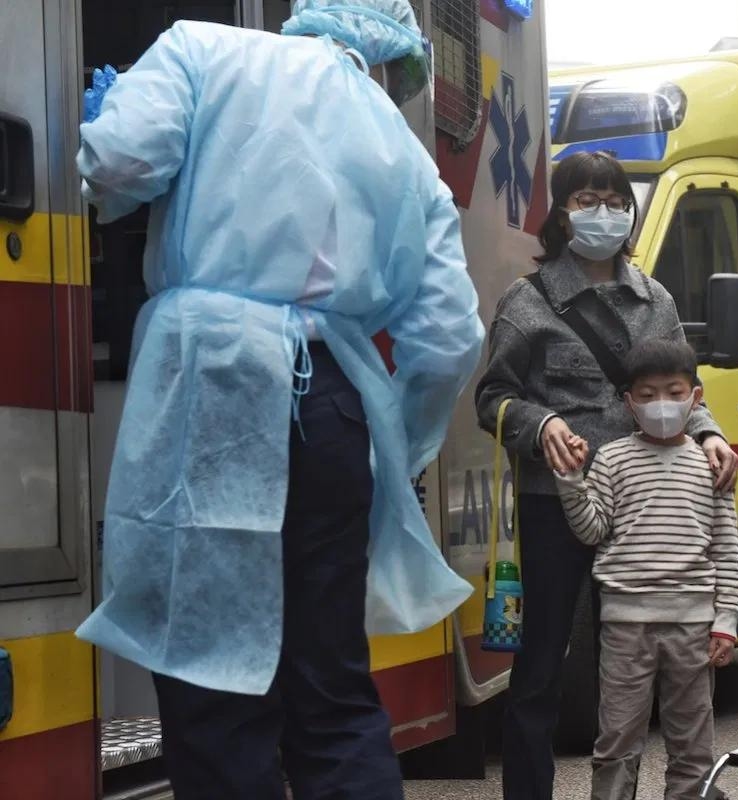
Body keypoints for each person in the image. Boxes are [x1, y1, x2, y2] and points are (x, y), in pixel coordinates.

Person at [73, 2, 483, 798]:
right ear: (389, 53)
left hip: (211, 388)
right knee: (331, 688)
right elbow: (448, 334)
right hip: (336, 402)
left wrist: (108, 118)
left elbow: (120, 165)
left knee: (213, 686)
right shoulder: (405, 151)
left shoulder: (200, 50)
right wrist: (398, 444)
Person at [475, 150, 738, 800]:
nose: (605, 213)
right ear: (562, 215)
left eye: (617, 202)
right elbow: (492, 398)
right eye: (588, 200)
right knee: (541, 668)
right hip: (554, 504)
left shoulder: (656, 301)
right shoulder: (527, 302)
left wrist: (710, 435)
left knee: (640, 672)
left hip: (643, 510)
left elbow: (682, 390)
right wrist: (540, 424)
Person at [553, 338, 738, 800]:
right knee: (616, 738)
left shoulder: (711, 463)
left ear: (695, 397)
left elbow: (726, 548)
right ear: (629, 402)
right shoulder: (611, 459)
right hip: (625, 628)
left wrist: (726, 620)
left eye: (674, 392)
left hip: (694, 629)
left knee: (693, 744)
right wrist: (572, 481)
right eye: (647, 394)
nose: (662, 403)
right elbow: (592, 530)